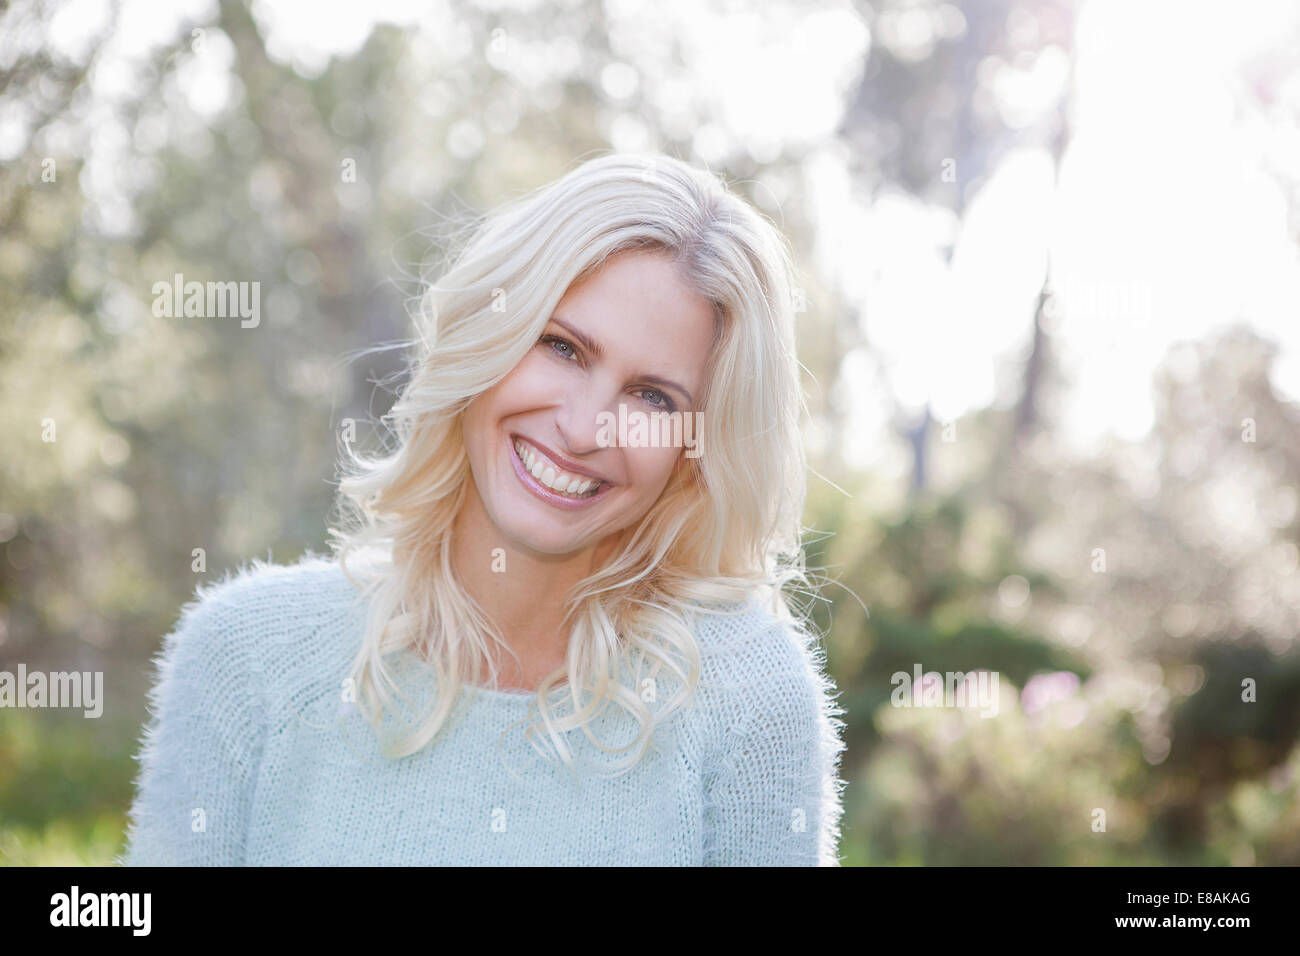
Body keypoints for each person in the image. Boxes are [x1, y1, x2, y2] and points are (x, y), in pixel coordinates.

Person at [120, 151, 847, 866]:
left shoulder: (746, 699)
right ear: (485, 335)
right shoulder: (246, 656)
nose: (585, 427)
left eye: (653, 397)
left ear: (696, 449)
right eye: (561, 347)